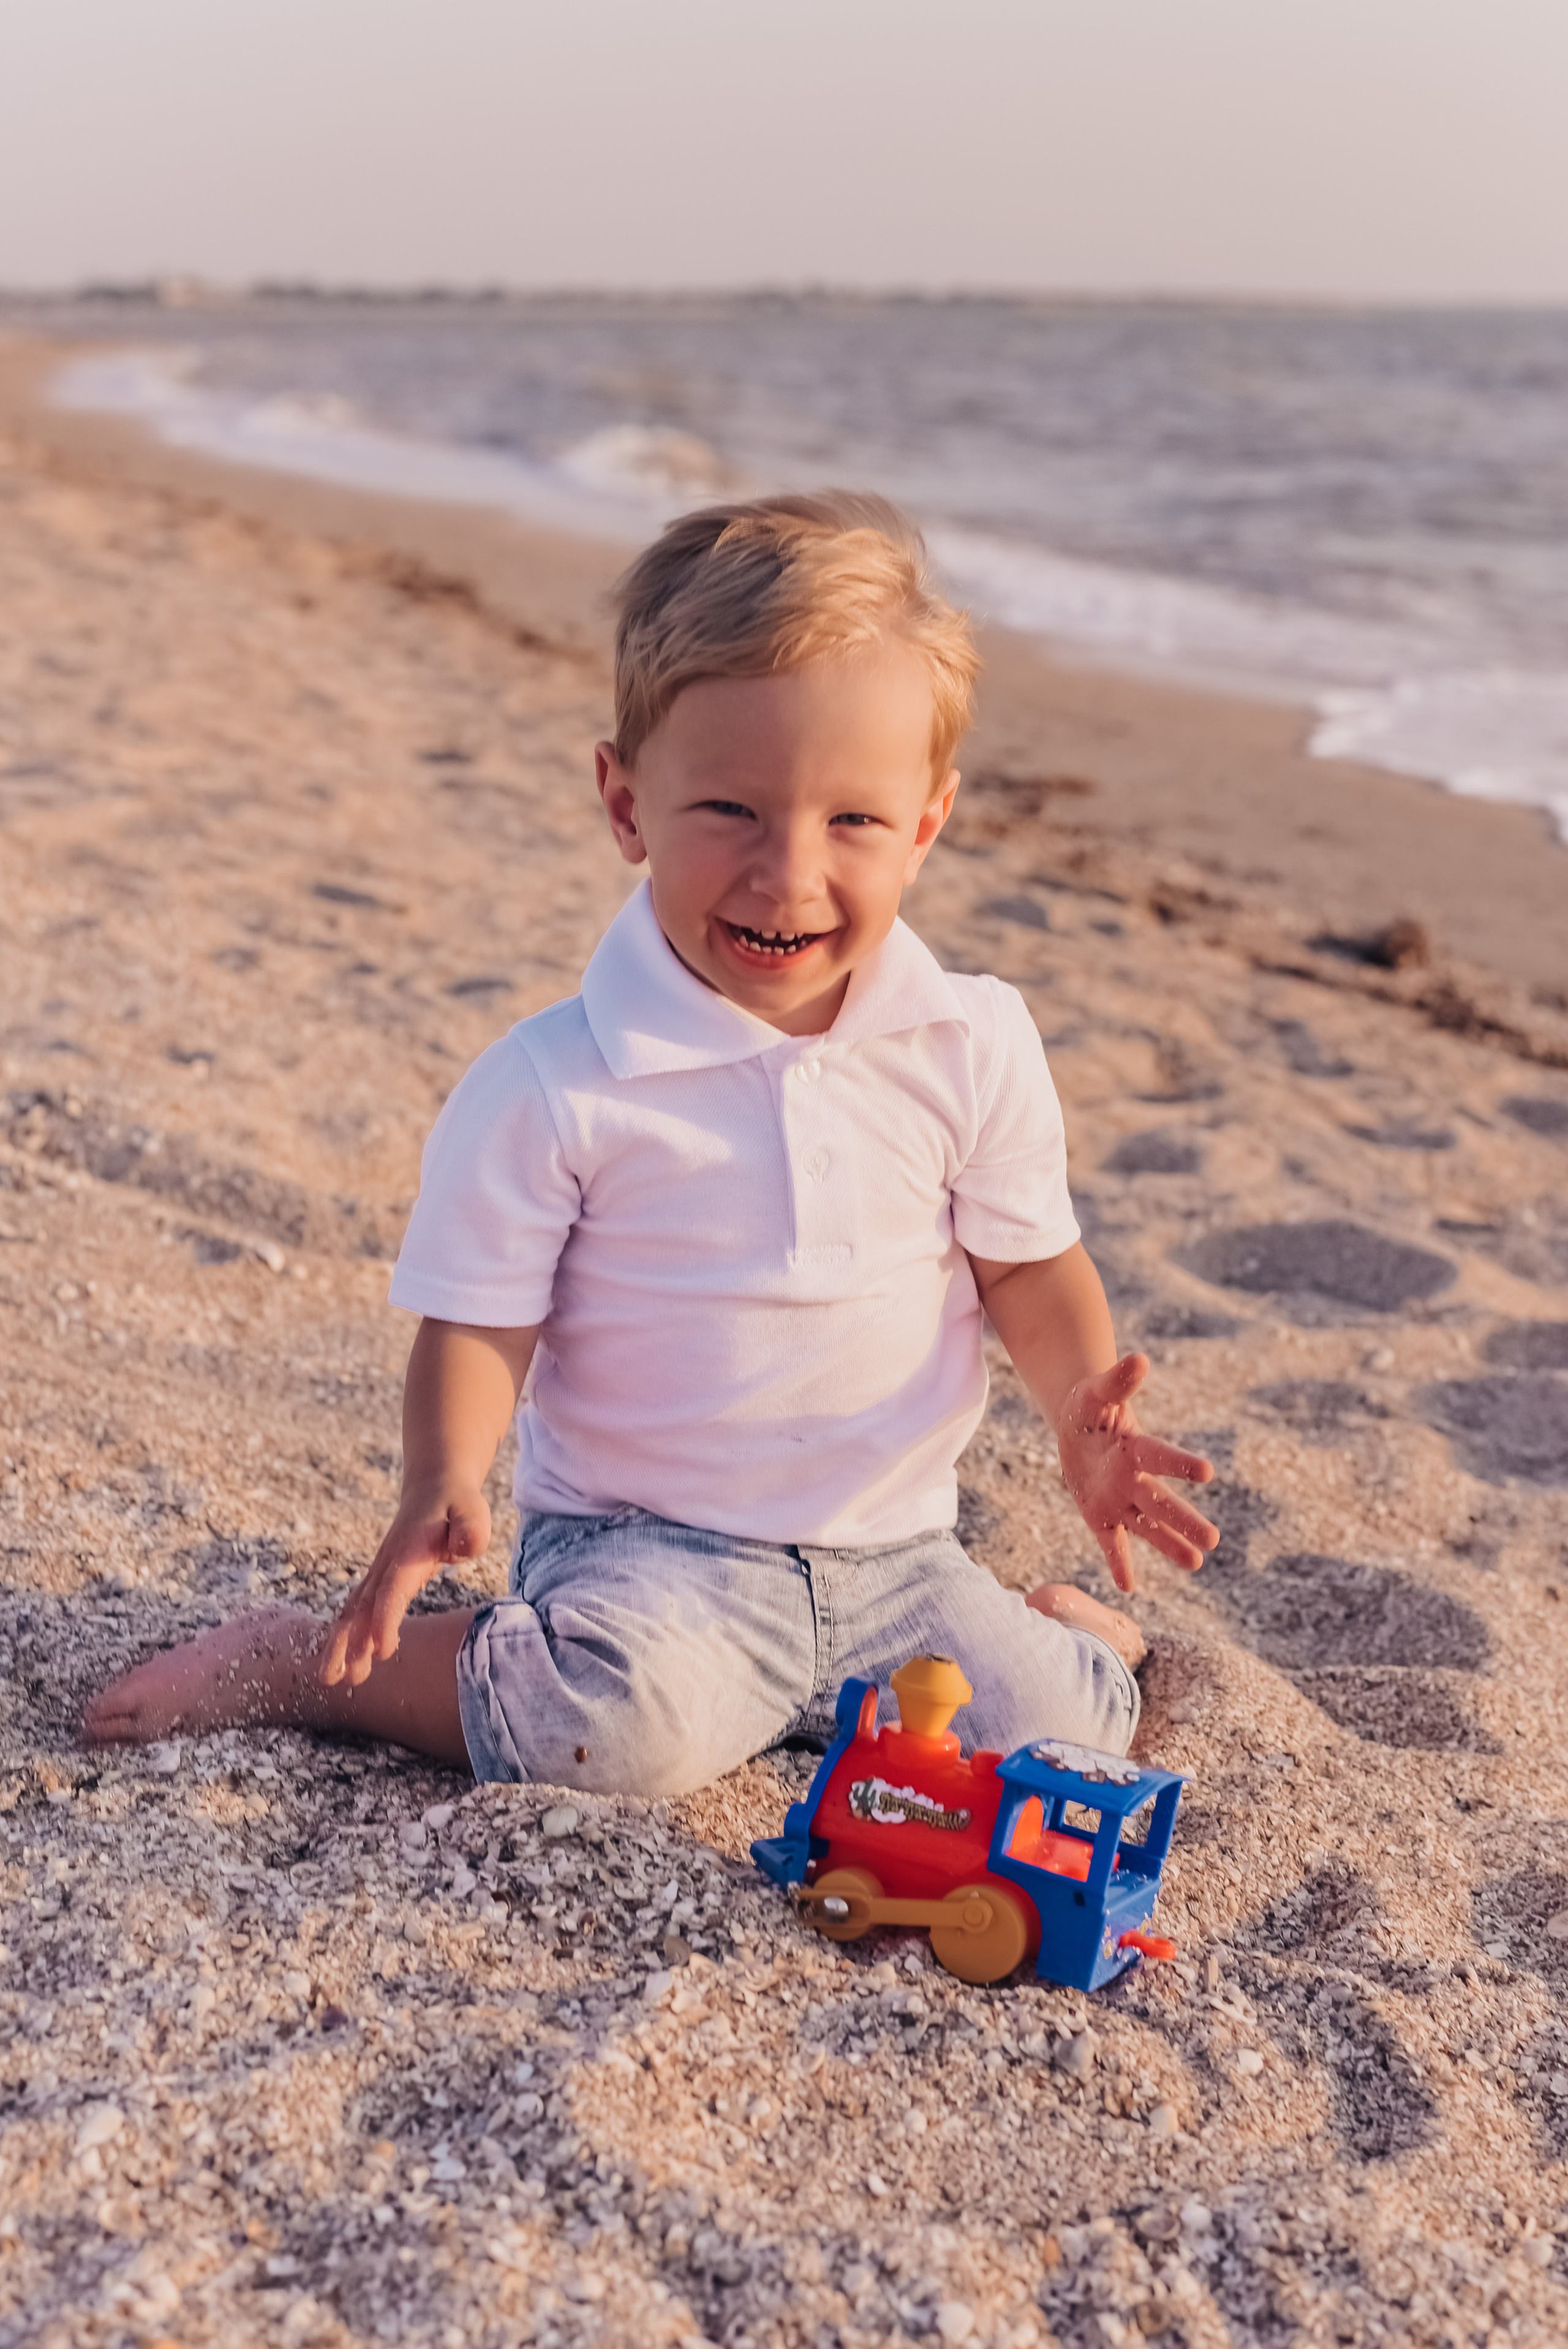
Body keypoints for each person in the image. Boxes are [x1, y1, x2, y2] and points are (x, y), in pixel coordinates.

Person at [85, 493, 1217, 1793]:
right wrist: (444, 1473)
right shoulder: (554, 1085)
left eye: (850, 821)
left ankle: (1080, 1638)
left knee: (1067, 1739)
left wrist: (1079, 1410)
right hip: (643, 1557)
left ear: (925, 822)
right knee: (602, 1734)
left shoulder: (971, 1041)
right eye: (730, 811)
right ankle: (300, 1667)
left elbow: (1027, 1269)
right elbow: (479, 1322)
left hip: (899, 1560)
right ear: (625, 805)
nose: (787, 873)